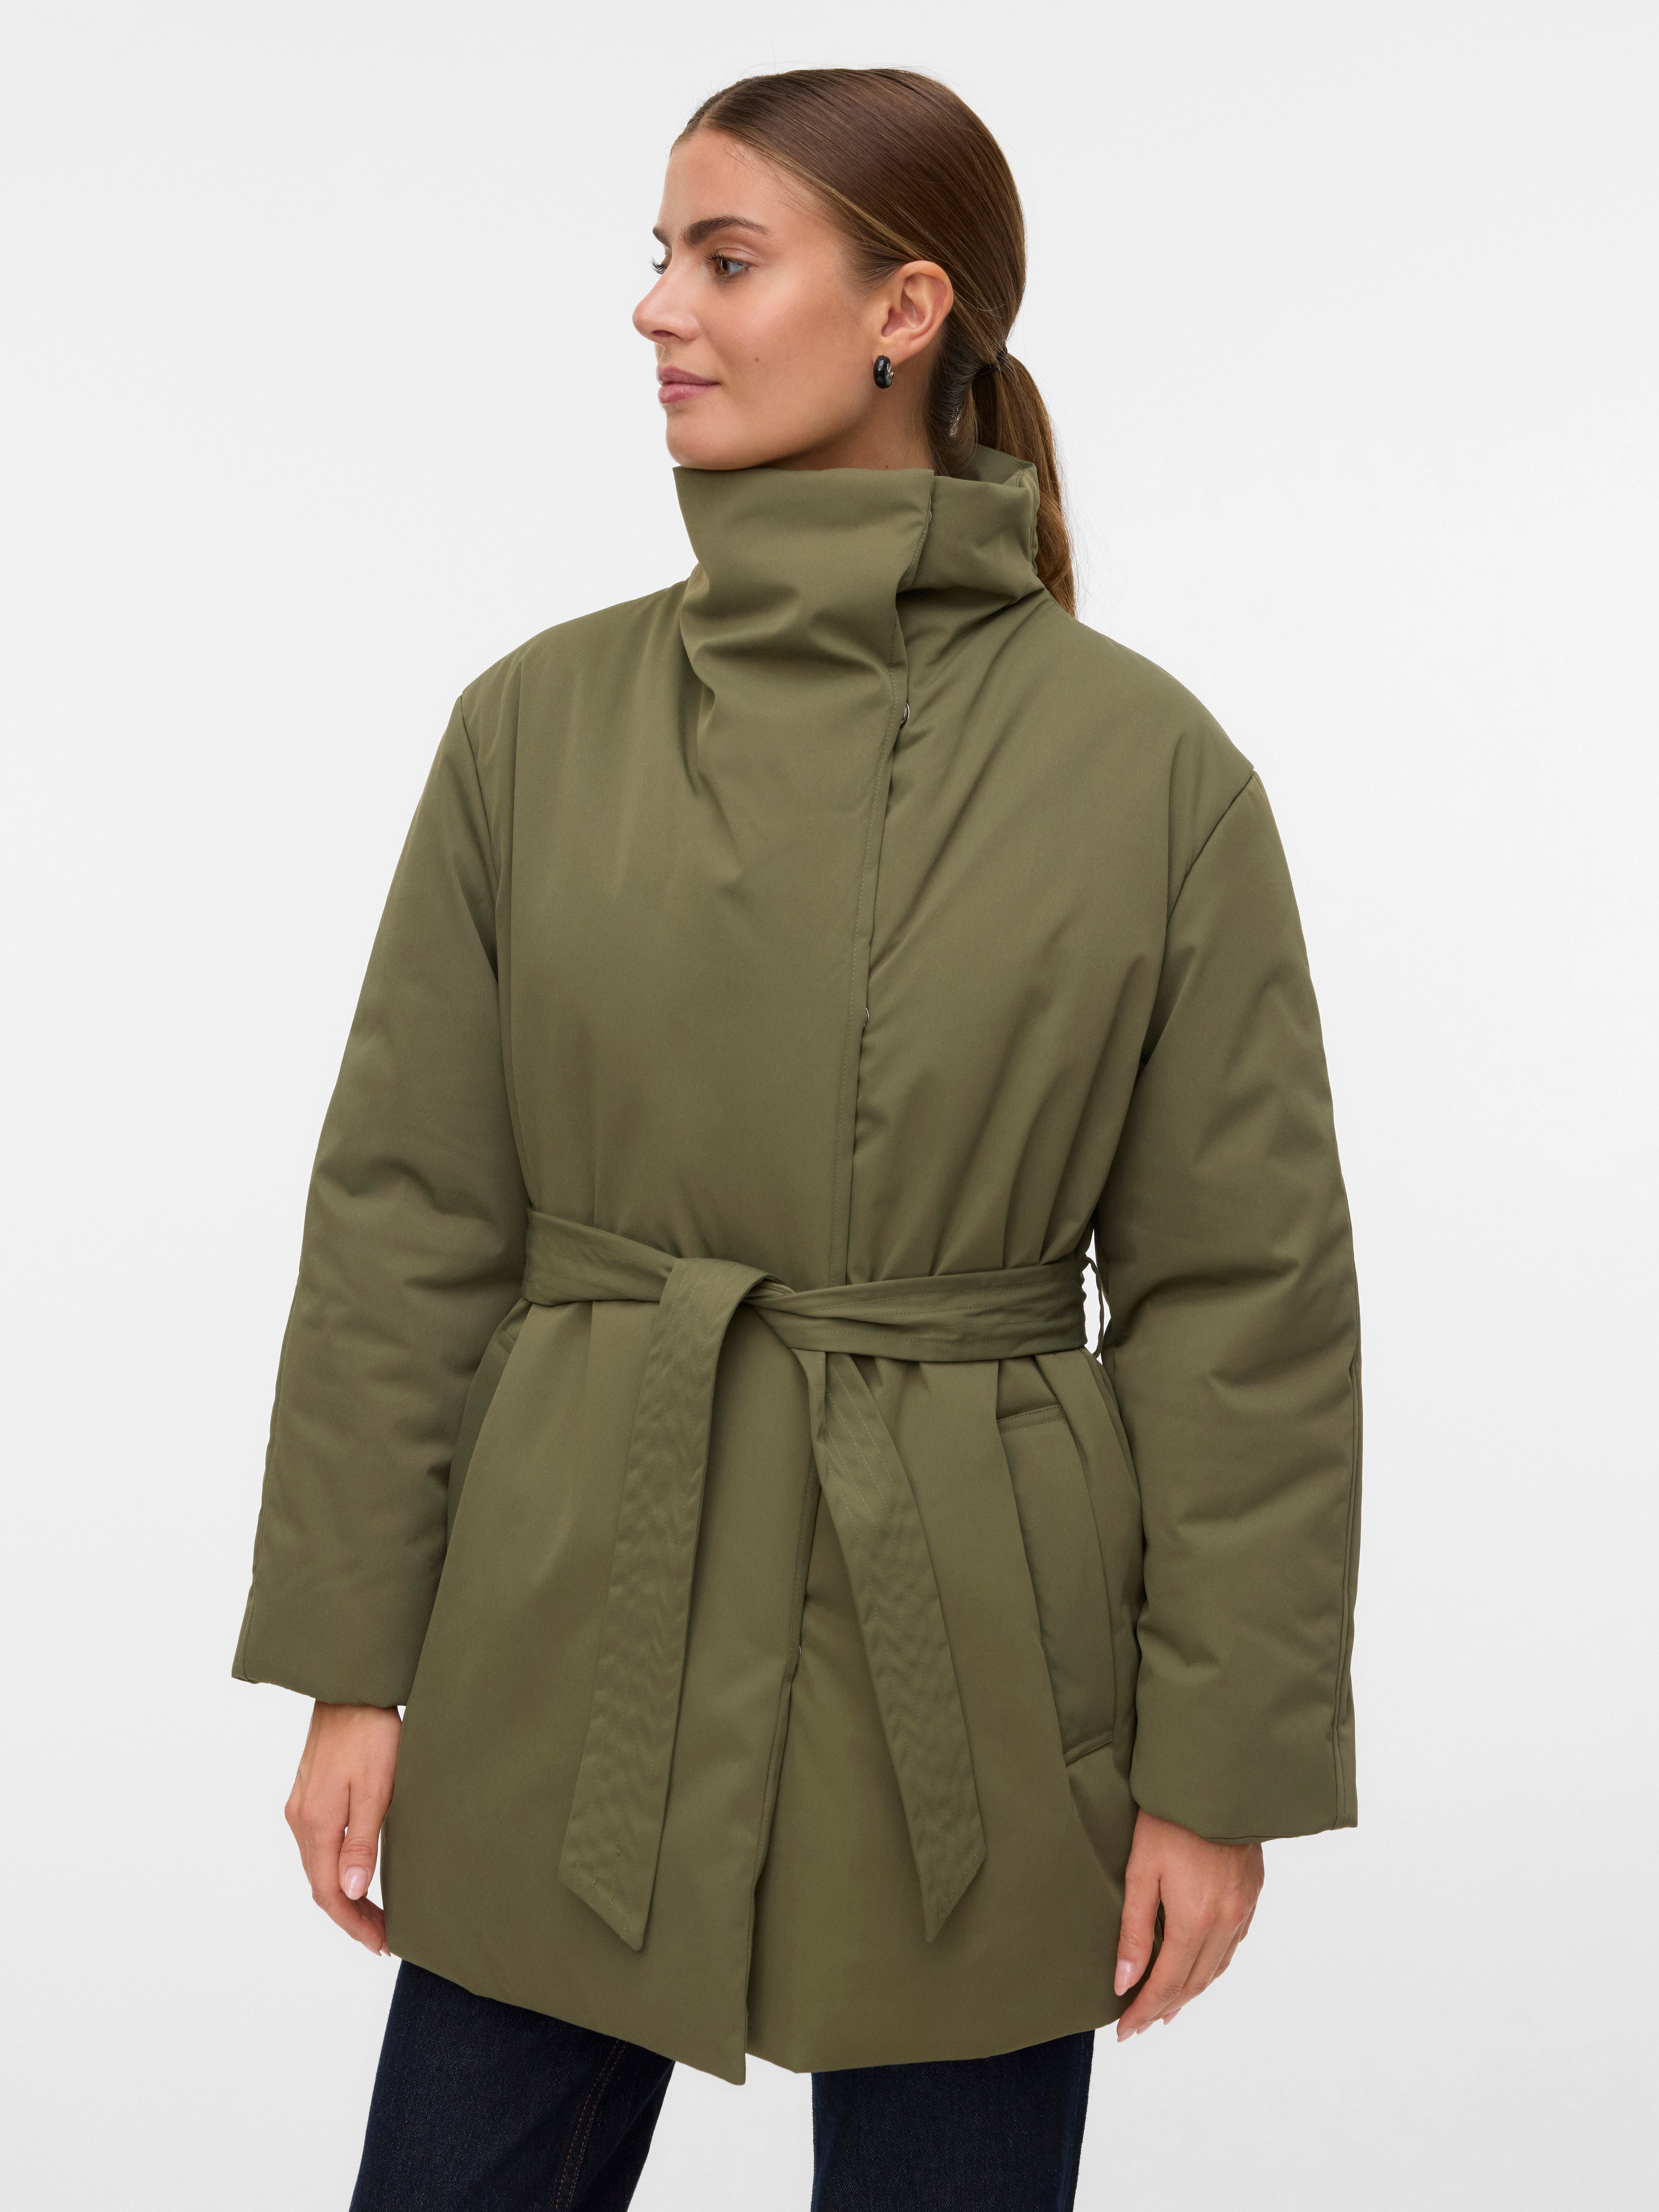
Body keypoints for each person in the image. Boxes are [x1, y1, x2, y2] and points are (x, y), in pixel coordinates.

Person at [233, 66, 1363, 2212]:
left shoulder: (1146, 774)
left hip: (982, 1666)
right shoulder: (533, 730)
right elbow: (408, 1227)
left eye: (725, 258)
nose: (658, 307)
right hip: (568, 1620)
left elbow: (1246, 1309)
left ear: (905, 311)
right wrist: (352, 1669)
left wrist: (1218, 1771)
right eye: (660, 255)